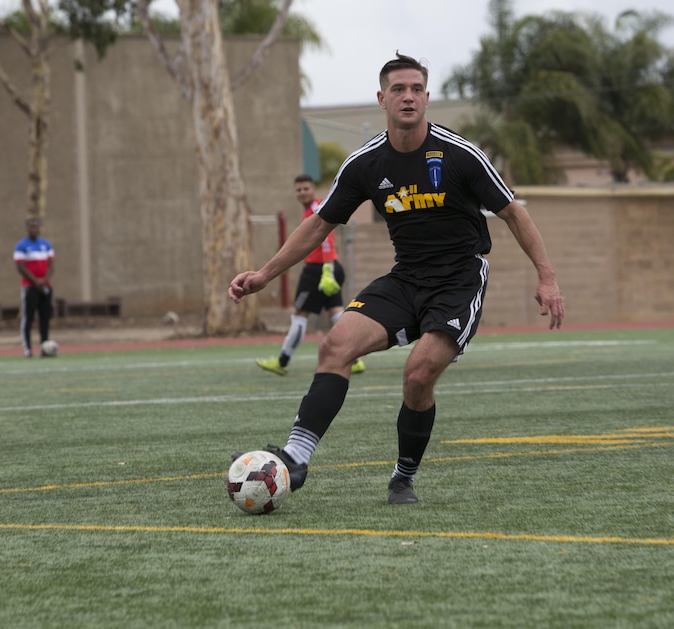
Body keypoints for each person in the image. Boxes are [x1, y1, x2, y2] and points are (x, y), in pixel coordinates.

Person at [228, 52, 564, 504]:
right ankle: (296, 458)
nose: (408, 97)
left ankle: (403, 477)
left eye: (417, 89)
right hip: (406, 278)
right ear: (382, 98)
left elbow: (513, 213)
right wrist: (265, 274)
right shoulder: (365, 164)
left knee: (417, 375)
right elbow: (320, 223)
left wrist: (547, 277)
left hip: (459, 280)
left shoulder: (461, 155)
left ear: (427, 97)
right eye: (399, 90)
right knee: (334, 345)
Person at [255, 174, 365, 377]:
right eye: (298, 189)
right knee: (336, 314)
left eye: (305, 188)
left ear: (313, 189)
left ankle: (282, 362)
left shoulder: (316, 209)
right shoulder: (312, 209)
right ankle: (356, 359)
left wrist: (328, 268)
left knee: (299, 315)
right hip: (326, 267)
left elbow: (324, 239)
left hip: (319, 269)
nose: (302, 192)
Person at [14, 217, 55, 358]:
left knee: (45, 318)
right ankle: (27, 349)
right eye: (31, 227)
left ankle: (44, 347)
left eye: (36, 227)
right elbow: (20, 267)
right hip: (29, 287)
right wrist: (36, 281)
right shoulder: (21, 246)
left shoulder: (46, 245)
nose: (33, 229)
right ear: (27, 229)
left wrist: (43, 281)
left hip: (45, 286)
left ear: (39, 228)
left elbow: (51, 266)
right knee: (28, 317)